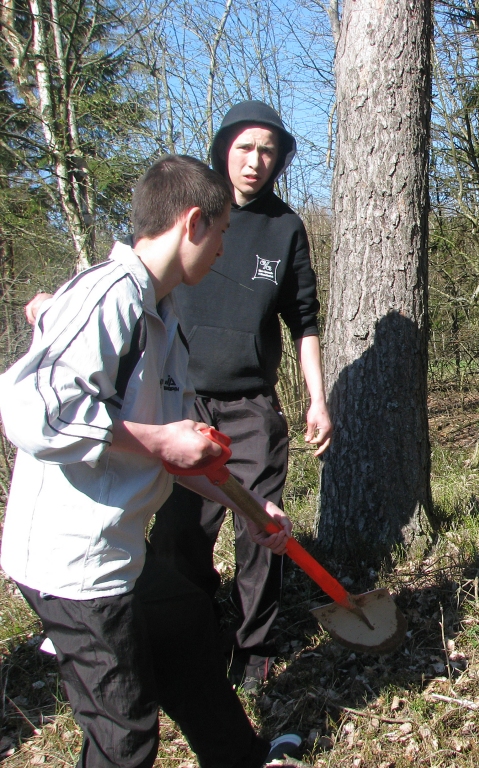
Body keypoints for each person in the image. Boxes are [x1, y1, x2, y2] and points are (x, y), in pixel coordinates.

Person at [0, 155, 301, 768]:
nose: (222, 250)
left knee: (187, 640)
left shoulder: (159, 314)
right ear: (192, 223)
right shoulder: (109, 295)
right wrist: (160, 443)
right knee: (124, 735)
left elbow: (175, 451)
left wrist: (248, 507)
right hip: (74, 567)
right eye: (220, 234)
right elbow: (32, 411)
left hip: (122, 551)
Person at [147, 101, 332, 690]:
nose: (255, 161)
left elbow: (304, 321)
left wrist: (317, 399)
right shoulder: (193, 216)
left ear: (279, 161)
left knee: (261, 536)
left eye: (268, 151)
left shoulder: (285, 229)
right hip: (183, 407)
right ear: (224, 147)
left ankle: (254, 652)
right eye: (245, 147)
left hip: (251, 407)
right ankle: (191, 640)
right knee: (180, 535)